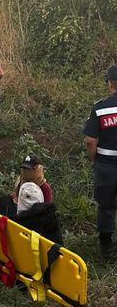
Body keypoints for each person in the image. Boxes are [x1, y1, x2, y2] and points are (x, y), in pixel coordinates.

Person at [83, 64, 117, 260]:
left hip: (106, 165)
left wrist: (94, 160)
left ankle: (106, 249)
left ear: (110, 84)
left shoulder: (101, 107)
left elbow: (89, 140)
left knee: (105, 206)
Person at [0, 155, 54, 220]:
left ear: (38, 169)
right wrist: (15, 197)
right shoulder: (21, 180)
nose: (26, 172)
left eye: (29, 169)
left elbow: (48, 210)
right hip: (19, 210)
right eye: (24, 169)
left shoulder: (45, 188)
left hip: (35, 218)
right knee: (4, 201)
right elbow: (16, 195)